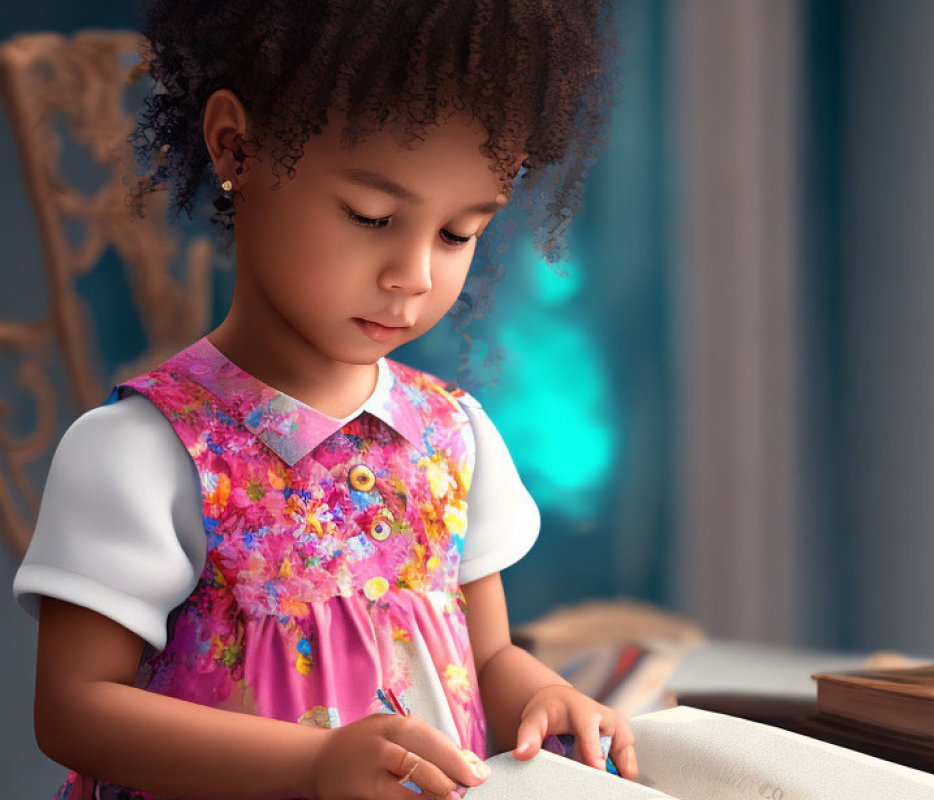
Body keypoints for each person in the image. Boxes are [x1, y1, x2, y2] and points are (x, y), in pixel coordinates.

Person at [12, 1, 630, 798]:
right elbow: (74, 712)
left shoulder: (454, 438)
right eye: (372, 216)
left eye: (457, 233)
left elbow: (486, 661)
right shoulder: (144, 451)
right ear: (237, 146)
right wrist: (311, 766)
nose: (413, 273)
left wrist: (540, 696)